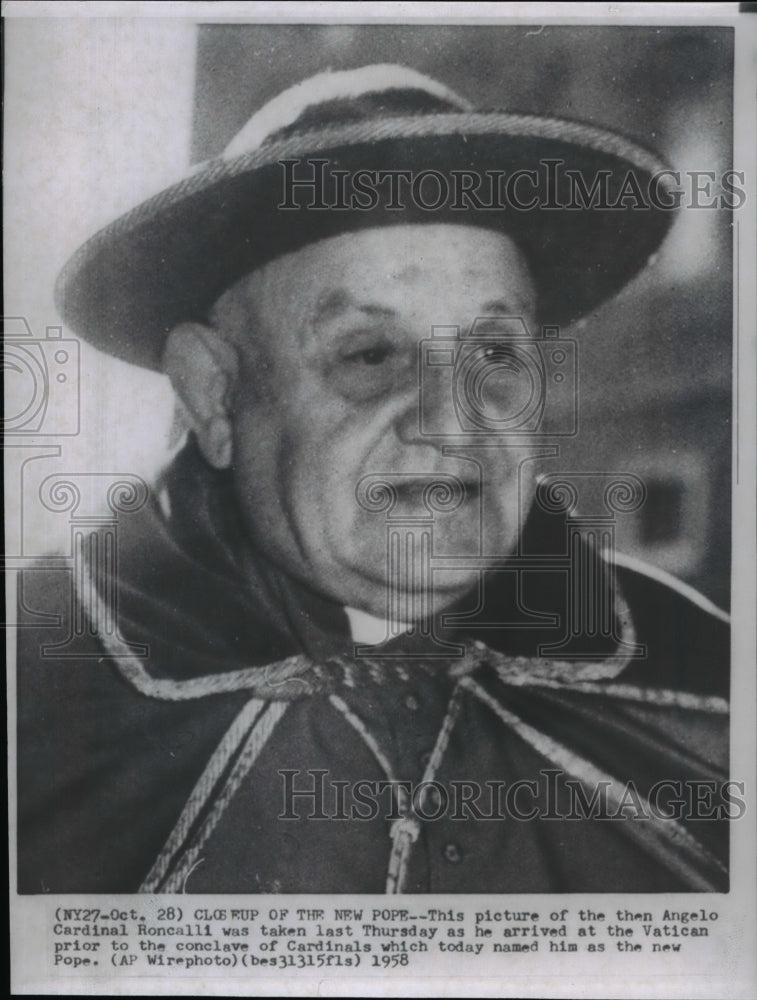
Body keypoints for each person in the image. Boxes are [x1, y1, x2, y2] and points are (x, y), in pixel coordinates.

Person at [17, 64, 730, 894]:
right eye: (370, 355)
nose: (453, 421)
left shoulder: (705, 674)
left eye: (494, 355)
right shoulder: (33, 680)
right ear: (214, 393)